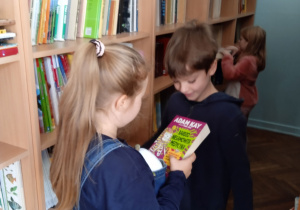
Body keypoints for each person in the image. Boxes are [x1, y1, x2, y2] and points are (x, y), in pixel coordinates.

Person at [50, 40, 196, 210]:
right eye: (140, 98)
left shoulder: (74, 139)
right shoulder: (125, 168)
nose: (141, 102)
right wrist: (178, 177)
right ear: (122, 103)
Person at [143, 20, 253, 209]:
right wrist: (135, 154)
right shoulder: (176, 101)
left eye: (191, 80)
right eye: (176, 81)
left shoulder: (228, 115)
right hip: (174, 196)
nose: (183, 88)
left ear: (211, 67)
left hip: (208, 202)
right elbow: (160, 139)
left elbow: (241, 176)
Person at [220, 25, 266, 119]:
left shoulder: (248, 61)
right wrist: (239, 50)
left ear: (249, 43)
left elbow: (229, 74)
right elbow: (243, 70)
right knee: (240, 123)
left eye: (241, 39)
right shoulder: (255, 58)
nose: (239, 41)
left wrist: (227, 57)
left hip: (239, 98)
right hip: (247, 98)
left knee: (233, 123)